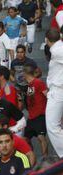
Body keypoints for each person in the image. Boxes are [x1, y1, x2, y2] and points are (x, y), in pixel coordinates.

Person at [45, 29, 63, 158]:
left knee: (52, 126)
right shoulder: (58, 48)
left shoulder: (57, 50)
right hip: (56, 91)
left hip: (58, 91)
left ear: (46, 40)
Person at [23, 64, 48, 158]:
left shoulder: (38, 82)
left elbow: (47, 95)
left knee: (41, 138)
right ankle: (32, 157)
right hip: (31, 116)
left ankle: (45, 159)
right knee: (25, 139)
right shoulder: (29, 85)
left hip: (40, 115)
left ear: (25, 74)